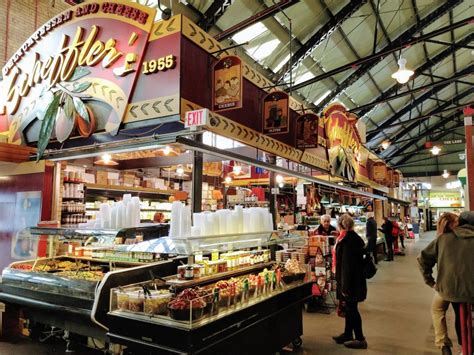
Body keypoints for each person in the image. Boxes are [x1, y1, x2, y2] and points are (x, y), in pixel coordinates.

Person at [418, 211, 474, 355]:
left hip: (448, 288)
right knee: (465, 315)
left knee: (437, 309)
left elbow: (423, 259)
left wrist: (430, 282)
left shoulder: (442, 240)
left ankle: (443, 345)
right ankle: (467, 347)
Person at [332, 214, 368, 349]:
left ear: (341, 225)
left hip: (351, 282)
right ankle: (348, 334)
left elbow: (347, 265)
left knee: (352, 309)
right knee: (349, 308)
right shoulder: (350, 238)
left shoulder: (348, 241)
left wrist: (345, 287)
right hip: (353, 280)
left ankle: (360, 338)